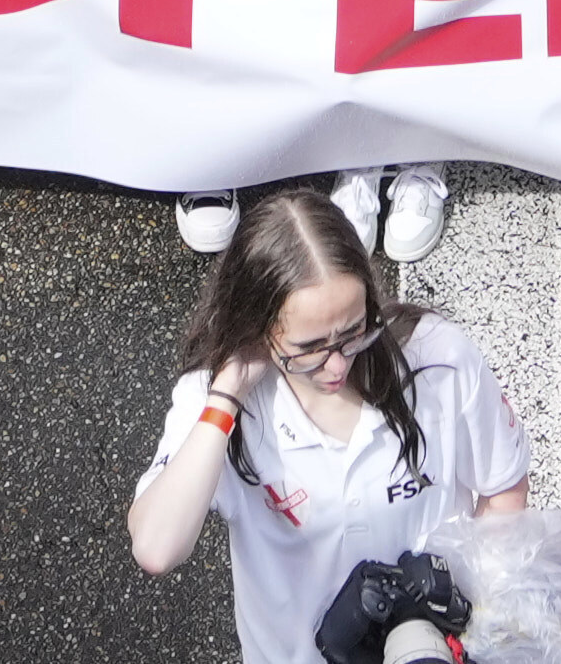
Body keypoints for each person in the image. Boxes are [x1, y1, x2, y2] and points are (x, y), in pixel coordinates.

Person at [132, 184, 539, 664]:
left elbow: (503, 486)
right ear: (256, 326)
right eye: (308, 349)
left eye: (353, 332)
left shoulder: (438, 359)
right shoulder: (217, 401)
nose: (336, 366)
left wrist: (475, 607)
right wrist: (228, 395)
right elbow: (156, 547)